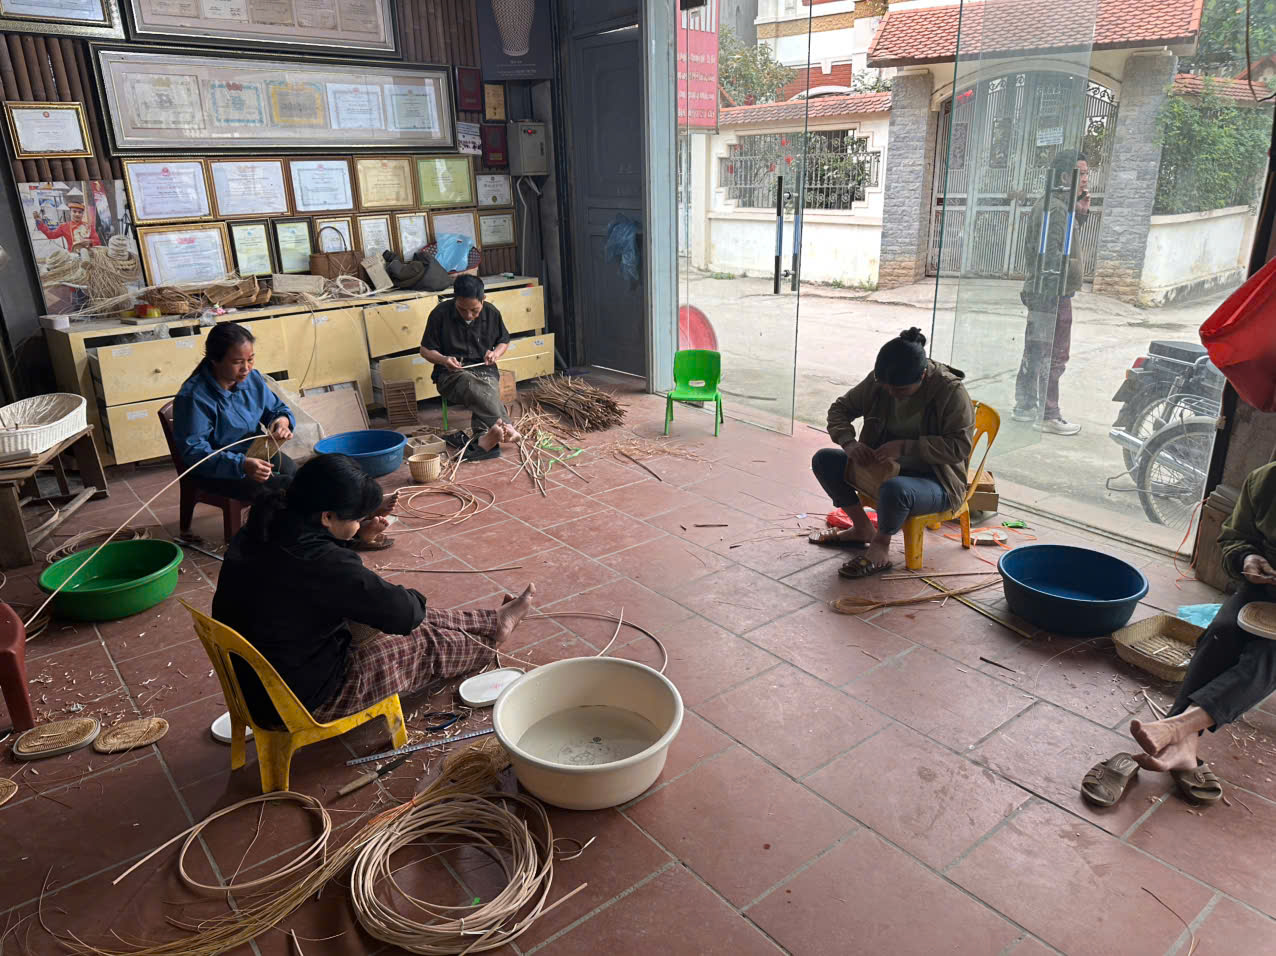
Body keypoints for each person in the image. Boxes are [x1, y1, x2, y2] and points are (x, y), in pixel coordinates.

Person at [211, 453, 536, 725]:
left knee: (391, 611)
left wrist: (355, 534)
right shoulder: (324, 563)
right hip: (297, 701)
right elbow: (404, 615)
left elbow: (320, 572)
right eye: (356, 518)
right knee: (419, 639)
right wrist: (404, 597)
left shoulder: (268, 519)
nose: (360, 523)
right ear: (327, 516)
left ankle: (493, 621)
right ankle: (489, 641)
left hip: (253, 681)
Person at [1085, 462, 1276, 808]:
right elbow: (1235, 537)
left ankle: (1176, 727)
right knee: (1221, 634)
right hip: (1266, 591)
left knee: (1267, 657)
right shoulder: (1265, 480)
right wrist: (1248, 558)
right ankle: (1184, 747)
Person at [808, 328, 975, 578]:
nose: (891, 394)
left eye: (900, 390)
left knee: (895, 490)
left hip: (936, 481)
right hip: (884, 470)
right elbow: (840, 410)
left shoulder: (950, 392)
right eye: (886, 387)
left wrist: (907, 447)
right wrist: (849, 443)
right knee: (824, 460)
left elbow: (959, 447)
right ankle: (862, 528)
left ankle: (880, 547)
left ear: (923, 376)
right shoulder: (880, 382)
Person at [173, 322, 297, 501]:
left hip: (254, 451)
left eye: (250, 359)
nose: (246, 368)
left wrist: (281, 423)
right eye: (237, 362)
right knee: (281, 487)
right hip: (216, 468)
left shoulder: (252, 379)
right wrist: (241, 464)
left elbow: (277, 409)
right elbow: (194, 452)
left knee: (295, 473)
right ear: (215, 360)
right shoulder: (194, 397)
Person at [1013, 149, 1090, 436]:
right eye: (1081, 174)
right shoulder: (1056, 209)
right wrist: (1069, 278)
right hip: (1052, 294)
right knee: (1053, 355)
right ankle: (1048, 413)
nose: (1086, 180)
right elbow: (1051, 256)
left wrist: (1079, 214)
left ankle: (1025, 406)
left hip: (1046, 291)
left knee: (1036, 350)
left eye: (1087, 174)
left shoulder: (1056, 206)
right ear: (1064, 177)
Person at [419, 274, 521, 461]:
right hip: (451, 374)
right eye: (462, 309)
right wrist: (443, 359)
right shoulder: (440, 313)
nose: (468, 315)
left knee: (487, 386)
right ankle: (507, 426)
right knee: (472, 383)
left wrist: (495, 353)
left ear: (483, 299)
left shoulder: (491, 313)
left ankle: (485, 439)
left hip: (484, 369)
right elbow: (425, 350)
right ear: (455, 300)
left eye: (474, 310)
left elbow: (504, 340)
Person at [33, 200, 101, 253]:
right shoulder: (64, 226)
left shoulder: (88, 226)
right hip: (73, 257)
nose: (77, 214)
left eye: (80, 212)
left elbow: (97, 241)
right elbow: (51, 235)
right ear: (70, 213)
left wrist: (90, 242)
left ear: (82, 214)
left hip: (90, 255)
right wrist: (40, 222)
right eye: (74, 211)